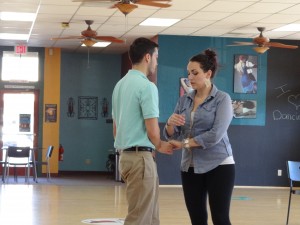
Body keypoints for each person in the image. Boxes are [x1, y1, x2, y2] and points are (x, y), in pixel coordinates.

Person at [164, 49, 235, 225]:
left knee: (220, 218)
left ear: (208, 73)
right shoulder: (184, 100)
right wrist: (169, 124)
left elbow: (215, 135)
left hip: (219, 165)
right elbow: (174, 134)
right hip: (190, 167)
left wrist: (184, 144)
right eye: (188, 73)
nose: (190, 77)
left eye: (195, 73)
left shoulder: (222, 99)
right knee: (197, 219)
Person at [112, 37, 174, 225]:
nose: (157, 62)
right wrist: (161, 145)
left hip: (126, 157)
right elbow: (152, 127)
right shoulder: (147, 86)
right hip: (140, 159)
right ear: (148, 57)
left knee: (150, 217)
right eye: (156, 57)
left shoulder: (119, 86)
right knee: (140, 218)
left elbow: (116, 128)